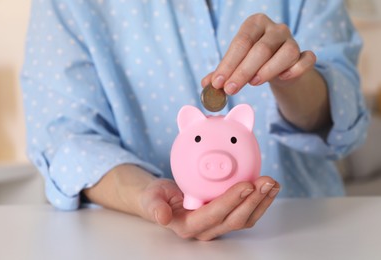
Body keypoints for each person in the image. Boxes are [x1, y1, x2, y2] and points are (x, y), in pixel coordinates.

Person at [21, 0, 369, 240]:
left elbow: (347, 115)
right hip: (134, 242)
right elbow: (66, 138)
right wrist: (147, 195)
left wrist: (291, 79)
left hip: (308, 233)